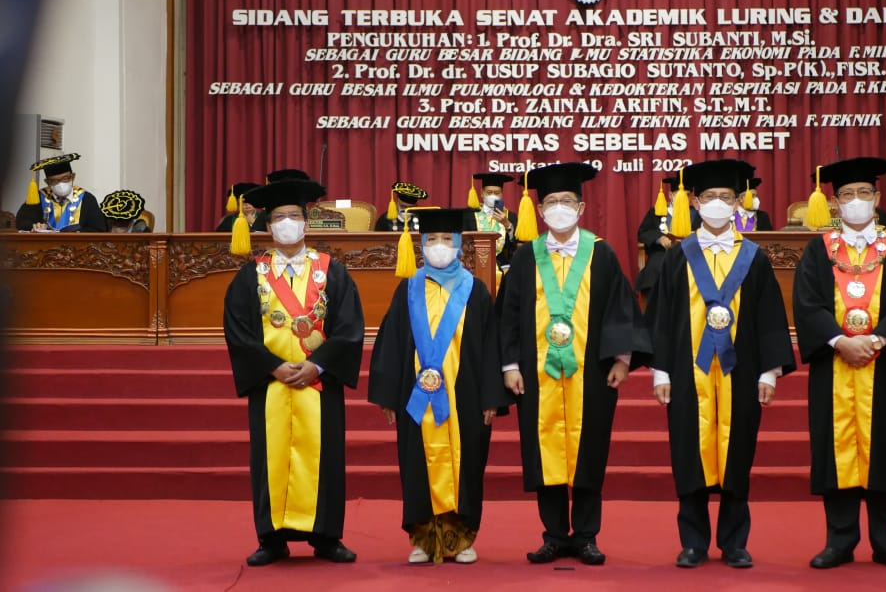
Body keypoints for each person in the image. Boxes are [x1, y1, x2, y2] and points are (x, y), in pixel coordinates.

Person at [644, 159, 796, 569]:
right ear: (693, 201)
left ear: (738, 202)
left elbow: (768, 317)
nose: (716, 204)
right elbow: (661, 317)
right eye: (709, 197)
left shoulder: (754, 258)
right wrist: (660, 369)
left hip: (741, 370)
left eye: (725, 197)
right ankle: (693, 540)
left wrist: (769, 371)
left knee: (738, 450)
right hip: (685, 370)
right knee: (688, 452)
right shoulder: (677, 258)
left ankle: (734, 541)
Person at [498, 162, 648, 566]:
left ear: (581, 209)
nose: (559, 208)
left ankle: (585, 536)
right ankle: (552, 535)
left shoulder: (600, 252)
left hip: (592, 373)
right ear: (540, 210)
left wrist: (621, 359)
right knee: (543, 451)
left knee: (589, 450)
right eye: (551, 201)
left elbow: (620, 309)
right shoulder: (526, 258)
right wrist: (509, 364)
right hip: (535, 373)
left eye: (567, 201)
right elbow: (509, 315)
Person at [792, 156, 886, 573]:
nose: (855, 201)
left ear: (878, 197)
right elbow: (806, 303)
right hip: (834, 365)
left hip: (884, 366)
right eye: (847, 195)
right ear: (834, 204)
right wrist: (838, 341)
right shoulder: (818, 251)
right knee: (836, 452)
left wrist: (876, 340)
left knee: (885, 448)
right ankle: (840, 539)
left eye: (863, 193)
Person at [222, 178, 364, 567]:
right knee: (270, 459)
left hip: (319, 383)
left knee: (325, 459)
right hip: (271, 384)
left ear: (307, 223)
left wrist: (317, 364)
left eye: (294, 216)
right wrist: (273, 367)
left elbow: (350, 327)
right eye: (279, 217)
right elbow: (237, 330)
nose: (287, 223)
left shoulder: (331, 271)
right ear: (268, 227)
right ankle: (271, 538)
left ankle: (326, 537)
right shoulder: (251, 275)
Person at [368, 208, 509, 564]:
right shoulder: (408, 290)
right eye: (432, 240)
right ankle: (423, 540)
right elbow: (392, 342)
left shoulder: (475, 291)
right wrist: (387, 394)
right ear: (421, 245)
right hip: (414, 397)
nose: (440, 246)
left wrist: (492, 396)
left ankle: (460, 539)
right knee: (417, 464)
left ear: (459, 244)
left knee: (468, 464)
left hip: (466, 396)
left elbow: (491, 344)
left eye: (447, 239)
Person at [634, 175, 699, 297]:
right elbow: (643, 232)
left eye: (687, 195)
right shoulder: (657, 212)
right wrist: (659, 238)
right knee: (655, 267)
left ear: (691, 197)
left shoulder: (697, 215)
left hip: (690, 255)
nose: (683, 199)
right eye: (679, 195)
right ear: (670, 196)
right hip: (662, 254)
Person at [16, 153, 108, 232]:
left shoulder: (87, 199)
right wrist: (35, 227)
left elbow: (98, 228)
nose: (60, 184)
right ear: (47, 182)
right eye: (54, 181)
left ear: (73, 177)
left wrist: (78, 233)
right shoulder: (39, 198)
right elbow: (23, 223)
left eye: (65, 178)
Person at [466, 172, 518, 267]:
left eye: (497, 193)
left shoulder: (510, 217)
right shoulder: (470, 216)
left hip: (502, 266)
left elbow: (515, 246)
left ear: (502, 194)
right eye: (489, 193)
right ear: (482, 193)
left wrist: (508, 226)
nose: (493, 196)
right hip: (475, 265)